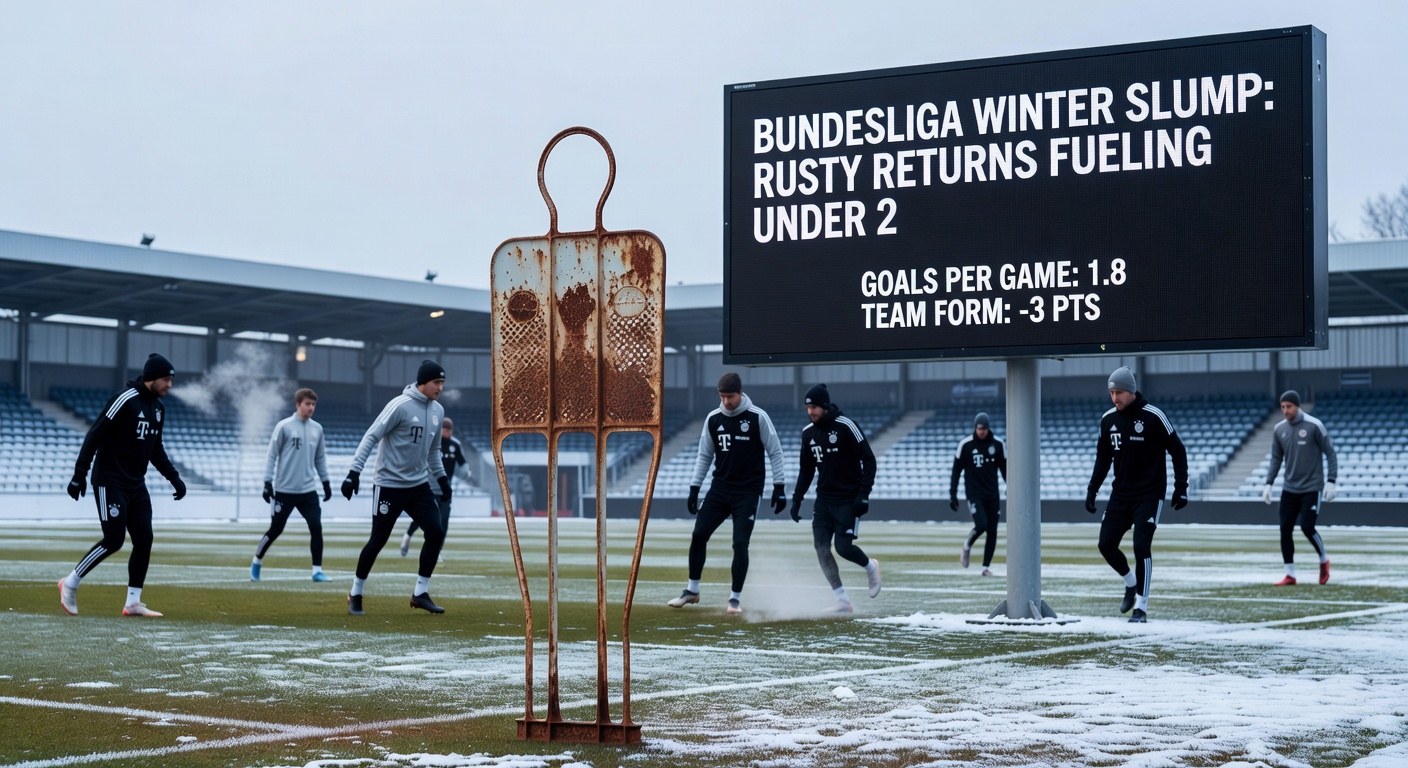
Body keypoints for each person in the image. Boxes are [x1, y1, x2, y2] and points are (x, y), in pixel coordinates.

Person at [59, 353, 187, 617]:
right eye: (166, 379)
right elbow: (95, 434)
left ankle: (133, 603)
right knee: (114, 540)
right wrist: (79, 474)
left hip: (136, 485)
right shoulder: (125, 400)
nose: (169, 386)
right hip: (109, 481)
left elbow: (156, 449)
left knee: (144, 539)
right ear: (152, 377)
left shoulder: (159, 409)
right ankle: (69, 583)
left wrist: (173, 477)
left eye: (171, 380)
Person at [666, 372, 787, 615]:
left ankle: (734, 599)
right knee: (699, 534)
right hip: (720, 489)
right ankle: (692, 591)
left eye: (729, 397)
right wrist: (694, 488)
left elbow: (775, 451)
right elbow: (704, 455)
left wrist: (780, 487)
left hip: (748, 492)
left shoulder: (757, 417)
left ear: (740, 393)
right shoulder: (713, 419)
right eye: (721, 397)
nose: (726, 402)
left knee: (740, 543)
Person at [342, 360, 453, 615]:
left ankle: (420, 593)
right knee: (378, 540)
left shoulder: (438, 411)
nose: (440, 388)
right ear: (423, 382)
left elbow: (434, 451)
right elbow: (371, 436)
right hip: (389, 485)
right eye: (437, 382)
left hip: (418, 485)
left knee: (435, 532)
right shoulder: (399, 405)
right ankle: (356, 593)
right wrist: (353, 474)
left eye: (442, 383)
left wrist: (442, 479)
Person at [1085, 366, 1188, 623]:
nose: (1114, 397)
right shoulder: (1108, 420)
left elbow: (1178, 450)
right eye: (1111, 392)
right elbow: (1102, 459)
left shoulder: (1153, 416)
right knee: (1105, 544)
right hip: (1120, 494)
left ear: (1130, 391)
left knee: (1141, 546)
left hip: (1149, 495)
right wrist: (1092, 490)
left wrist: (1181, 487)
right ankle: (1130, 583)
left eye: (1119, 391)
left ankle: (1141, 606)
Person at [789, 384, 880, 614]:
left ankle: (870, 566)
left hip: (849, 499)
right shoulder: (807, 433)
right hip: (823, 501)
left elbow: (869, 460)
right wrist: (797, 498)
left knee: (843, 547)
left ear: (826, 406)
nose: (811, 412)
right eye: (808, 407)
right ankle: (842, 600)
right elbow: (806, 470)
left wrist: (864, 495)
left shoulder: (846, 426)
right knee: (821, 548)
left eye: (815, 407)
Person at [252, 388, 332, 583]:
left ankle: (317, 571)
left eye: (313, 404)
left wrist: (326, 482)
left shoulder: (317, 429)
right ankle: (257, 561)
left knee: (316, 526)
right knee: (276, 530)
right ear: (297, 404)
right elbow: (272, 455)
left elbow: (320, 458)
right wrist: (267, 482)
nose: (311, 408)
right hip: (284, 491)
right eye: (307, 404)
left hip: (307, 491)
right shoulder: (284, 426)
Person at [1263, 390, 1337, 586]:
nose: (1285, 411)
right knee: (1285, 529)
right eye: (1282, 407)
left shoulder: (1314, 426)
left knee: (1307, 527)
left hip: (1312, 487)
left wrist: (1331, 480)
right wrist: (1268, 483)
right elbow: (1276, 458)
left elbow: (1330, 453)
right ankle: (1290, 574)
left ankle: (1324, 560)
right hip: (1289, 489)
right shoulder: (1279, 429)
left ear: (1297, 406)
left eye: (1289, 407)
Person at [400, 416, 467, 558]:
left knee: (443, 522)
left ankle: (437, 551)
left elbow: (462, 461)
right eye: (445, 429)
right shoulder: (431, 443)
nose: (448, 433)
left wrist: (467, 470)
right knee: (423, 518)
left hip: (445, 490)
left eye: (450, 430)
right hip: (429, 487)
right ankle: (408, 535)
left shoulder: (455, 445)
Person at [950, 411, 1007, 576]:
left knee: (993, 530)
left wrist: (1010, 486)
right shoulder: (966, 445)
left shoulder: (998, 445)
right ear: (975, 428)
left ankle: (985, 567)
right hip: (975, 494)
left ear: (988, 429)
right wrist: (952, 493)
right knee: (982, 525)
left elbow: (1005, 469)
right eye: (979, 428)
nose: (982, 431)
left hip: (992, 494)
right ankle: (967, 545)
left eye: (984, 429)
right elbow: (956, 471)